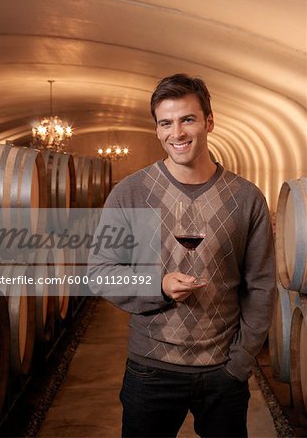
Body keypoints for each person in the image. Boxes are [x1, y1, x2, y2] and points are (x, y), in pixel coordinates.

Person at [87, 73, 276, 438]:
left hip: (223, 370)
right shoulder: (131, 192)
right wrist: (157, 285)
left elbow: (262, 285)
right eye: (166, 122)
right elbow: (101, 272)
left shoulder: (246, 197)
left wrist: (240, 362)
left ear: (209, 121)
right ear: (157, 130)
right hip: (151, 369)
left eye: (187, 119)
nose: (178, 132)